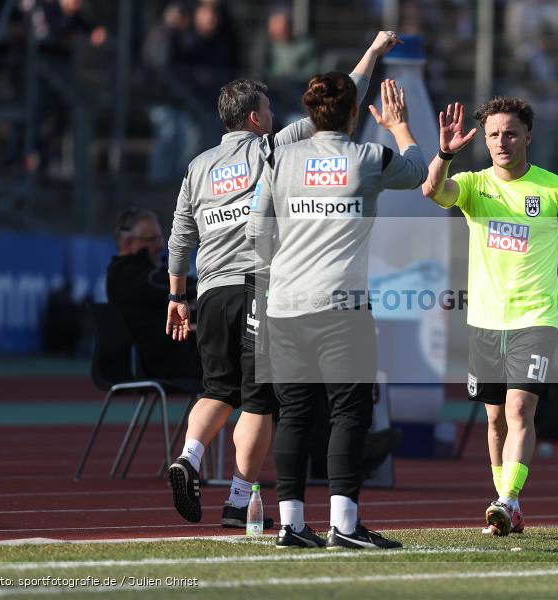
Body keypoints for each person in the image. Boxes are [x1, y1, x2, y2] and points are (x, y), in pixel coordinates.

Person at [164, 32, 401, 530]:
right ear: (255, 118)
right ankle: (238, 499)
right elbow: (340, 100)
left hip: (211, 290)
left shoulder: (197, 167)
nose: (273, 115)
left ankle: (189, 454)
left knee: (216, 389)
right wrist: (373, 53)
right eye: (268, 108)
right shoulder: (274, 149)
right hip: (259, 285)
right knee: (259, 400)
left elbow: (181, 234)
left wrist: (177, 294)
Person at [421, 97, 558, 536]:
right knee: (494, 419)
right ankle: (507, 505)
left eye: (510, 133)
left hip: (536, 317)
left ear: (528, 136)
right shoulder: (473, 185)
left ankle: (508, 499)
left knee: (518, 408)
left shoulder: (555, 190)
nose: (501, 142)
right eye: (493, 134)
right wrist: (444, 154)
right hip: (485, 321)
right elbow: (433, 191)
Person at [247, 74, 426, 549]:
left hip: (286, 304)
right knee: (349, 413)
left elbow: (256, 231)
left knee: (293, 414)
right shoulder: (369, 157)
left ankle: (291, 525)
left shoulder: (279, 157)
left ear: (309, 114)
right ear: (353, 113)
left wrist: (281, 270)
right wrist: (399, 126)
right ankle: (344, 526)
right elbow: (418, 171)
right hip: (343, 308)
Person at [105, 207, 199, 380]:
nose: (160, 246)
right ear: (128, 242)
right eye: (152, 240)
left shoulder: (143, 274)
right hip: (165, 363)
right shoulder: (127, 275)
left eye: (160, 238)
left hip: (174, 356)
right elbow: (175, 286)